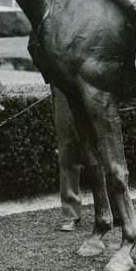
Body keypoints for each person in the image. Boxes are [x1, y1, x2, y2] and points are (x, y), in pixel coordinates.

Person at [52, 86, 85, 231]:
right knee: (67, 148)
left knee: (104, 148)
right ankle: (72, 213)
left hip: (97, 78)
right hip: (63, 84)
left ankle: (115, 210)